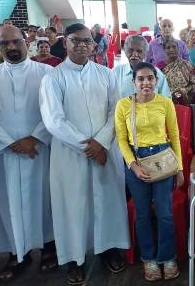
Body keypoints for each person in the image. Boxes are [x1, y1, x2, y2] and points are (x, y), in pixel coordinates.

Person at [39, 23, 129, 285]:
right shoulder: (53, 78)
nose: (81, 45)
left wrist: (101, 143)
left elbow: (117, 111)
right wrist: (87, 146)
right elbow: (54, 120)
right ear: (64, 43)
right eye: (75, 40)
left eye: (86, 41)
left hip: (105, 151)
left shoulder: (107, 74)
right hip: (71, 154)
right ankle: (74, 259)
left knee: (108, 201)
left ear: (93, 45)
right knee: (73, 205)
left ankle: (109, 249)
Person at [0, 25, 56, 283]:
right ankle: (16, 252)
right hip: (4, 154)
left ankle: (49, 246)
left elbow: (53, 111)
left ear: (27, 42)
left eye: (16, 42)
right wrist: (11, 143)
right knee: (8, 201)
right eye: (5, 44)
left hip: (39, 149)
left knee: (43, 199)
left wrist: (34, 138)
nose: (11, 48)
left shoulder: (46, 72)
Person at [114, 62, 184, 281]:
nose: (146, 83)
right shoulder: (123, 105)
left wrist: (179, 168)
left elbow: (174, 134)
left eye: (150, 78)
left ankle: (167, 257)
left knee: (165, 214)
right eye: (141, 79)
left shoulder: (165, 103)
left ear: (157, 80)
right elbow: (121, 139)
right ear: (133, 82)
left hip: (162, 159)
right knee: (142, 214)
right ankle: (149, 259)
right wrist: (133, 166)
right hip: (137, 161)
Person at [112, 35, 171, 99]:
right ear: (125, 51)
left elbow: (167, 99)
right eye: (131, 50)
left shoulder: (156, 73)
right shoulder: (116, 72)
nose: (134, 54)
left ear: (145, 53)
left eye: (139, 51)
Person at [161, 39, 195, 105]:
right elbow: (158, 85)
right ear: (164, 50)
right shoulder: (159, 66)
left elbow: (194, 83)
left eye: (174, 47)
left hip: (185, 100)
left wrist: (183, 91)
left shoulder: (187, 64)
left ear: (178, 49)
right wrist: (171, 94)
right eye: (168, 48)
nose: (171, 49)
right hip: (165, 101)